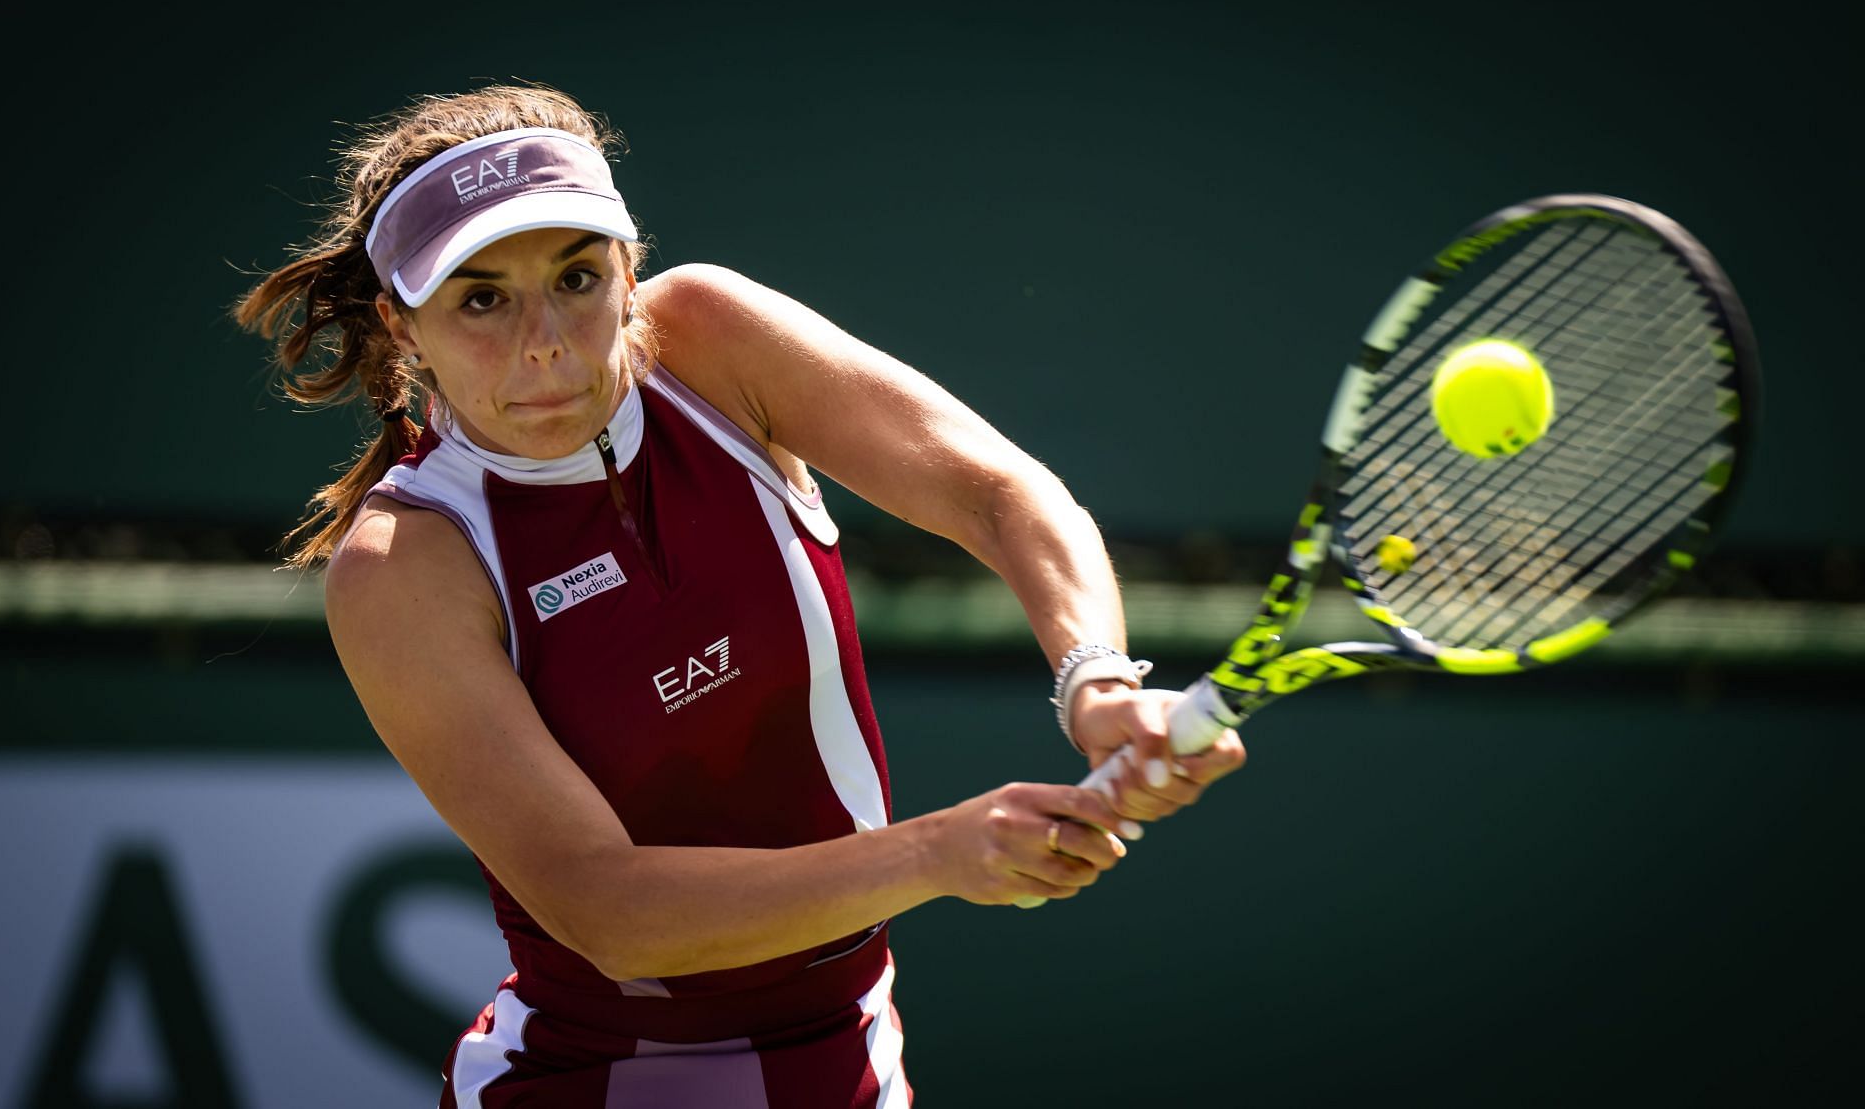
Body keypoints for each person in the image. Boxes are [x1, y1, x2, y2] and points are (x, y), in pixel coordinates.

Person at [236, 84, 1247, 1108]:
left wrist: (1096, 680)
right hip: (590, 1080)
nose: (543, 340)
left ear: (629, 272)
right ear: (400, 326)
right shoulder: (404, 565)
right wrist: (943, 851)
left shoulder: (709, 339)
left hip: (852, 1045)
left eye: (577, 277)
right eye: (482, 297)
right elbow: (610, 910)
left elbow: (997, 495)